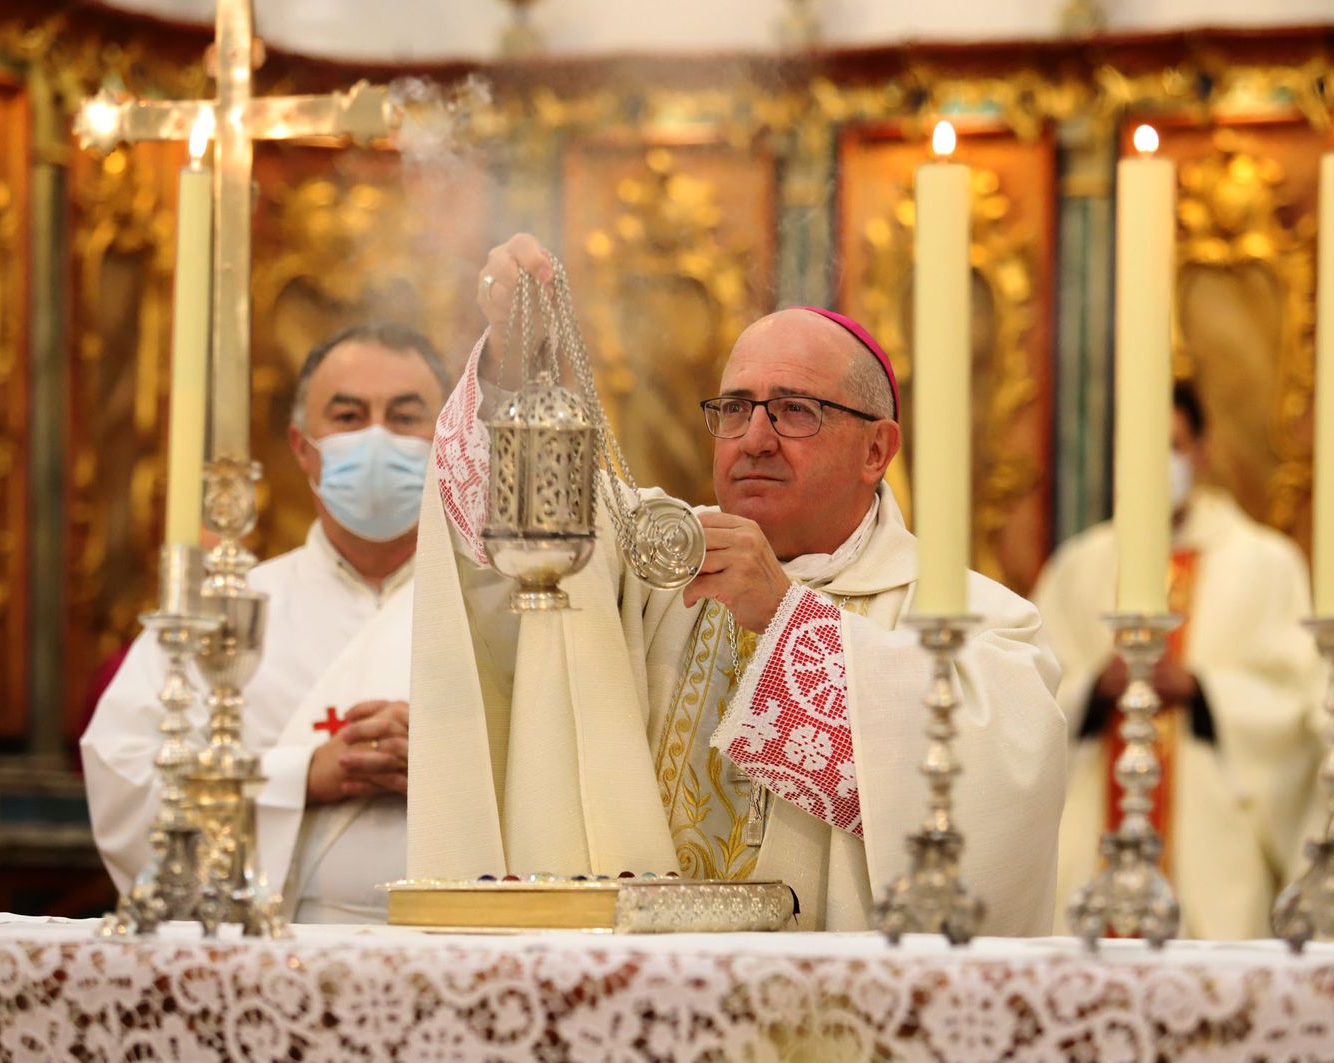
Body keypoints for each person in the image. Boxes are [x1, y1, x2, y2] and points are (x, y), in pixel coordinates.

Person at [404, 234, 1070, 932]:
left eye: (794, 410)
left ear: (876, 449)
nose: (754, 437)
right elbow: (501, 525)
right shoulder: (653, 557)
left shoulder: (981, 619)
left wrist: (788, 619)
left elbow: (999, 799)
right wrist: (513, 367)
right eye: (734, 408)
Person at [81, 322, 448, 923]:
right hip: (276, 954)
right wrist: (300, 775)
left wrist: (448, 762)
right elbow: (124, 776)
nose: (377, 439)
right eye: (350, 416)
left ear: (451, 439)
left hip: (464, 950)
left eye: (405, 418)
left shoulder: (498, 608)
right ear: (303, 446)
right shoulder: (223, 611)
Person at [1032, 384, 1318, 939]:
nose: (1155, 463)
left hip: (1214, 846)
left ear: (1201, 453)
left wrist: (1201, 688)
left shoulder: (1266, 564)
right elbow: (1032, 696)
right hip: (1089, 835)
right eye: (1139, 448)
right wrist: (1094, 688)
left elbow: (1298, 701)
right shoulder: (1080, 564)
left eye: (1171, 445)